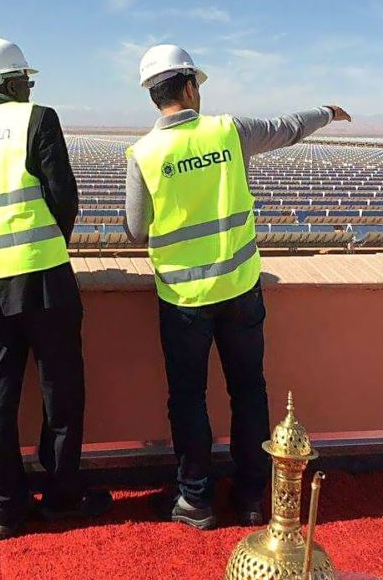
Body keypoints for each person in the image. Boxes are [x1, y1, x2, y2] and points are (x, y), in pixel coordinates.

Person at [124, 44, 351, 529]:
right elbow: (287, 128)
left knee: (188, 399)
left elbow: (137, 228)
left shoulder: (144, 153)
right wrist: (326, 112)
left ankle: (195, 500)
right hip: (241, 289)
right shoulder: (228, 131)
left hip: (183, 300)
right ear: (189, 86)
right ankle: (250, 497)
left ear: (153, 95)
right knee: (249, 391)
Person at [0, 37, 111, 541]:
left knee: (0, 397)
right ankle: (60, 496)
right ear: (13, 81)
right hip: (43, 277)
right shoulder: (37, 119)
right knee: (61, 392)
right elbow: (64, 199)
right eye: (27, 80)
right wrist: (45, 243)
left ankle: (6, 509)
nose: (30, 87)